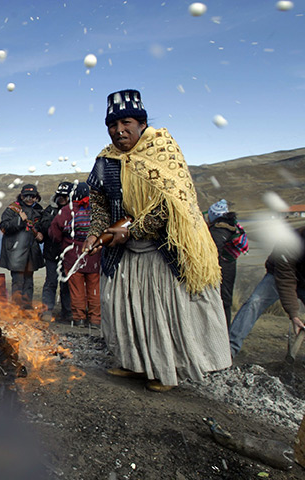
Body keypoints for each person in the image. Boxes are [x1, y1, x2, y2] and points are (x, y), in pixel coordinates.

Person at [83, 89, 231, 392]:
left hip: (162, 250)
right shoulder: (105, 160)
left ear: (141, 123)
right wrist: (95, 233)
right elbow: (98, 202)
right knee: (126, 309)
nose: (118, 130)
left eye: (125, 122)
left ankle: (162, 371)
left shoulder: (163, 151)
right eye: (112, 125)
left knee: (157, 309)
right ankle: (133, 362)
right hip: (124, 253)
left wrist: (130, 230)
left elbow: (170, 204)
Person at [229, 227, 305, 357]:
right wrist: (294, 315)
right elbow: (286, 279)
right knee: (255, 301)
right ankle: (230, 348)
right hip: (279, 275)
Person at [49, 182, 101, 327]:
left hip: (72, 256)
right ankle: (95, 320)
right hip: (93, 256)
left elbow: (54, 232)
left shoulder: (67, 210)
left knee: (77, 290)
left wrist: (62, 242)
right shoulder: (96, 210)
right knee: (94, 289)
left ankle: (79, 319)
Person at [0, 184, 45, 309]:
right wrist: (19, 220)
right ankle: (17, 308)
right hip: (16, 251)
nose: (29, 199)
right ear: (21, 196)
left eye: (32, 196)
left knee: (29, 282)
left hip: (31, 251)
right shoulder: (13, 209)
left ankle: (27, 308)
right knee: (18, 282)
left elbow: (42, 228)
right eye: (26, 196)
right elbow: (3, 227)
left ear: (36, 197)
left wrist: (41, 235)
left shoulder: (39, 210)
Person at [207, 199, 249, 325]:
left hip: (222, 268)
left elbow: (214, 252)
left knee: (221, 300)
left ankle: (222, 329)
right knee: (226, 299)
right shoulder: (231, 227)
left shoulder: (218, 231)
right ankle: (225, 329)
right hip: (229, 266)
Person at [40, 182, 73, 322]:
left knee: (67, 284)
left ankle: (68, 312)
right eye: (60, 195)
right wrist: (58, 221)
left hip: (69, 254)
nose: (61, 199)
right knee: (51, 282)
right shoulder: (50, 210)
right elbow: (42, 225)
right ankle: (46, 310)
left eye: (64, 196)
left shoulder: (75, 210)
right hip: (52, 254)